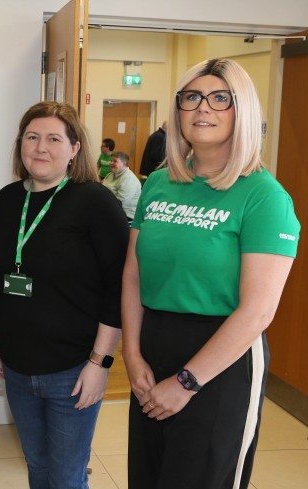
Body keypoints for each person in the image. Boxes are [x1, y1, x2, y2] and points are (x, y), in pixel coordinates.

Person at [123, 59, 300, 489]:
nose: (204, 107)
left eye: (221, 98)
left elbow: (257, 311)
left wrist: (187, 382)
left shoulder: (263, 195)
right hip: (154, 344)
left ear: (244, 112)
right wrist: (132, 354)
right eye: (192, 97)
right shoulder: (160, 183)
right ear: (178, 111)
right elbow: (133, 273)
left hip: (222, 359)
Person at [0, 101, 128, 489]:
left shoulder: (95, 202)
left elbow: (120, 286)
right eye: (32, 137)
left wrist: (101, 362)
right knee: (38, 468)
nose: (41, 147)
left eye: (53, 139)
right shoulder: (6, 200)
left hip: (74, 370)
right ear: (20, 144)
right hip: (16, 365)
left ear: (75, 148)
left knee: (66, 476)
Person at [102, 151, 142, 221]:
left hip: (127, 215)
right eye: (111, 161)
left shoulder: (129, 179)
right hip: (112, 210)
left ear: (124, 164)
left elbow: (121, 203)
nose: (111, 163)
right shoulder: (110, 175)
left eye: (115, 161)